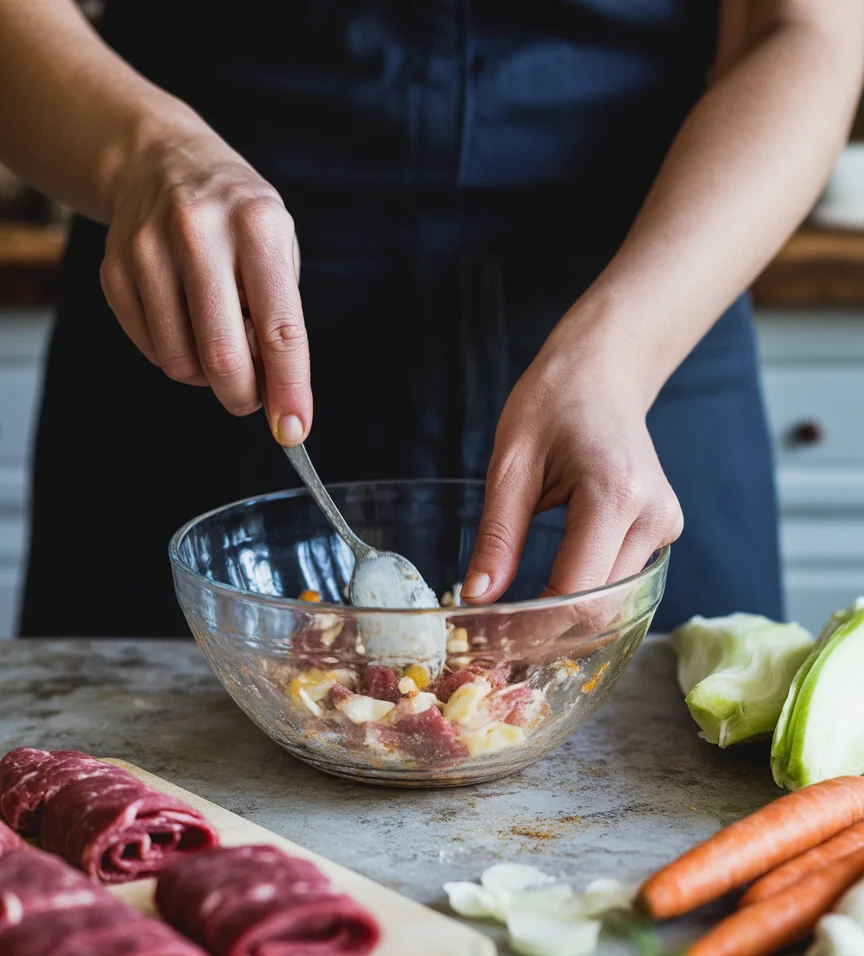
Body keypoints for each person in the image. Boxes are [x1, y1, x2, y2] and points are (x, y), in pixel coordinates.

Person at [0, 1, 861, 637]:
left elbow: (809, 33)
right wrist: (143, 150)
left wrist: (621, 354)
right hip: (206, 302)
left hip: (647, 314)